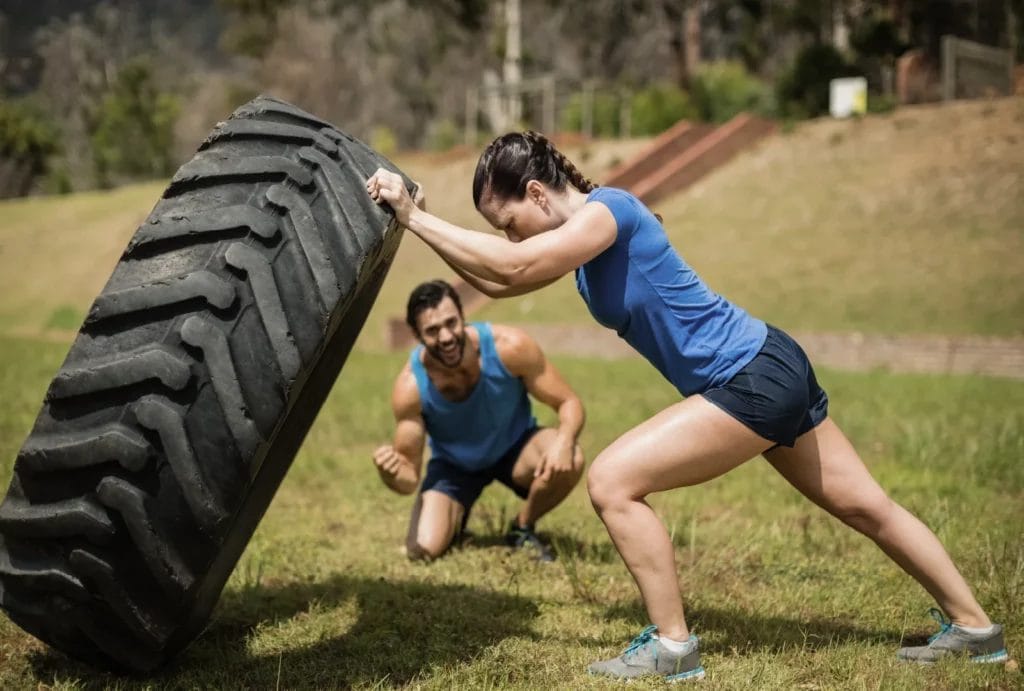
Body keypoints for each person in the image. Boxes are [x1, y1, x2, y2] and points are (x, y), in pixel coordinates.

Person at [366, 132, 1007, 681]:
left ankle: (674, 647)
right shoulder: (584, 247)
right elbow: (500, 279)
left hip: (748, 378)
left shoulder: (607, 213)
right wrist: (416, 220)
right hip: (769, 365)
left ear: (537, 194)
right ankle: (976, 629)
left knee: (614, 480)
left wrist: (415, 217)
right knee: (866, 505)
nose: (505, 234)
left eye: (506, 220)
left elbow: (511, 264)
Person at [373, 279, 585, 562]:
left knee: (571, 457)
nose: (446, 337)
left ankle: (522, 526)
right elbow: (409, 477)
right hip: (454, 467)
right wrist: (391, 475)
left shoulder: (510, 347)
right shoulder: (410, 388)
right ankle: (454, 516)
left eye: (451, 323)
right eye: (433, 331)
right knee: (421, 551)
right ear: (416, 334)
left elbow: (569, 402)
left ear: (463, 317)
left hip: (515, 448)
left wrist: (564, 441)